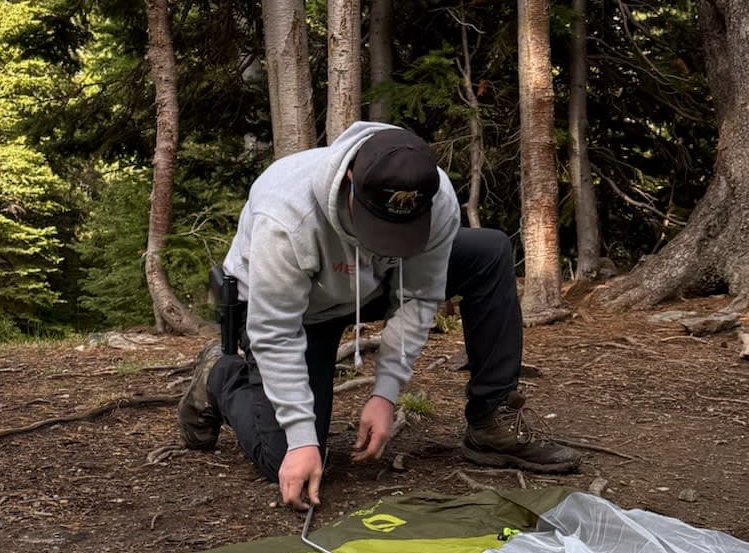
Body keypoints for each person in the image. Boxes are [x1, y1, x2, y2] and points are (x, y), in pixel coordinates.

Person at [178, 120, 582, 506]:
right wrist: (301, 438)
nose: (388, 240)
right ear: (350, 182)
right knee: (284, 457)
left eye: (401, 230)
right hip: (295, 310)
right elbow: (276, 331)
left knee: (487, 251)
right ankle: (220, 375)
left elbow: (419, 295)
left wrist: (386, 394)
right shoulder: (286, 216)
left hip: (369, 283)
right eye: (378, 226)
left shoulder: (433, 195)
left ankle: (489, 421)